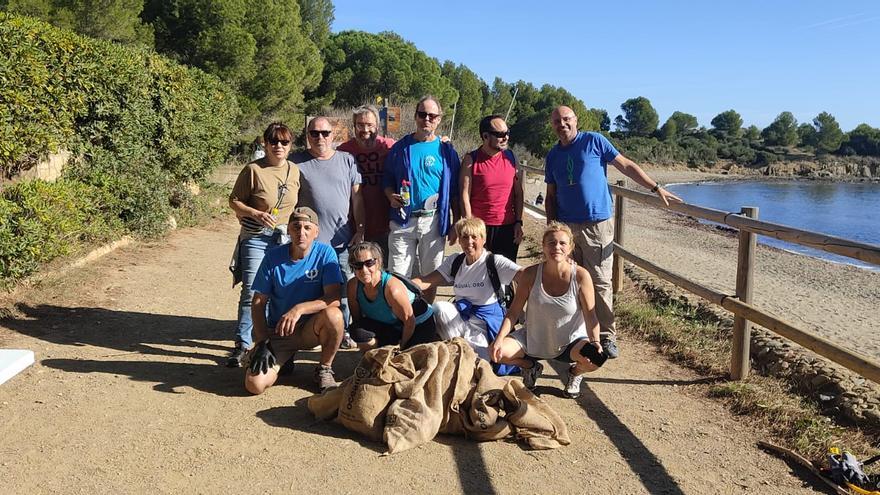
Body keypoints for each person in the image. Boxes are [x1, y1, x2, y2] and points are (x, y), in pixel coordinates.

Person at [544, 105, 683, 359]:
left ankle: (607, 335)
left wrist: (655, 188)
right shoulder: (552, 156)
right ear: (552, 125)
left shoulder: (594, 141)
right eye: (556, 121)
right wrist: (552, 229)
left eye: (566, 119)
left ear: (576, 121)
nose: (562, 124)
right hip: (566, 228)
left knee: (599, 281)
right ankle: (578, 333)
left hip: (596, 225)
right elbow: (551, 196)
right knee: (570, 280)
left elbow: (625, 165)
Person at [488, 222, 605, 399]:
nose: (556, 247)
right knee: (498, 352)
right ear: (543, 246)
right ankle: (530, 367)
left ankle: (575, 372)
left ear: (570, 247)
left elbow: (590, 315)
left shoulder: (581, 276)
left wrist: (595, 341)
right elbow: (512, 313)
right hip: (533, 338)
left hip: (569, 341)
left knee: (596, 359)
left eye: (562, 243)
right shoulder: (530, 274)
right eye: (551, 243)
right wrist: (499, 339)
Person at [244, 207, 345, 395]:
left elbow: (334, 297)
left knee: (335, 316)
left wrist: (299, 309)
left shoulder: (325, 253)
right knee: (254, 385)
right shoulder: (273, 257)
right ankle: (284, 360)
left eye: (307, 227)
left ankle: (324, 368)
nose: (301, 233)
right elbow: (258, 302)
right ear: (288, 230)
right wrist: (261, 341)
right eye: (296, 227)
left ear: (316, 232)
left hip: (311, 329)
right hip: (280, 331)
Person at [227, 122, 300, 367]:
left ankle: (274, 344)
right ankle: (242, 345)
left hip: (283, 239)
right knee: (252, 291)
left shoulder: (295, 171)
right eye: (273, 141)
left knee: (280, 291)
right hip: (256, 237)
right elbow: (234, 201)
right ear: (265, 143)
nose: (278, 146)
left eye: (284, 142)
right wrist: (255, 213)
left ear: (290, 145)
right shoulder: (253, 170)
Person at [291, 116, 365, 348]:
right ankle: (309, 332)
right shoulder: (296, 163)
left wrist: (360, 229)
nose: (320, 137)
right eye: (314, 133)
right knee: (305, 288)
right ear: (307, 136)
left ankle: (344, 332)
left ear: (333, 136)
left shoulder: (347, 160)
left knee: (345, 290)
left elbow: (357, 197)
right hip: (308, 244)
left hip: (342, 242)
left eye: (325, 133)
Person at [413, 217, 521, 367]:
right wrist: (399, 285)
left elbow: (524, 275)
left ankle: (525, 364)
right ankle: (457, 349)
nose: (469, 242)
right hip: (462, 319)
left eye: (474, 237)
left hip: (485, 325)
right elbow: (426, 281)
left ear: (483, 239)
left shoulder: (494, 261)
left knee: (478, 363)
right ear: (459, 241)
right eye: (464, 237)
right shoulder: (456, 261)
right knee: (439, 308)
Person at [383, 95, 461, 302]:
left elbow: (455, 191)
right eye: (422, 114)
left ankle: (425, 319)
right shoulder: (400, 148)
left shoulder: (446, 151)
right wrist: (391, 196)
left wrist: (456, 223)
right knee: (397, 276)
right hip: (402, 220)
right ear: (415, 116)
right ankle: (400, 321)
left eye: (431, 115)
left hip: (434, 221)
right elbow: (387, 180)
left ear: (439, 119)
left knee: (430, 275)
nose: (426, 118)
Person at [346, 241, 440, 350]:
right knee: (357, 331)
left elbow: (409, 322)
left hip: (418, 324)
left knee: (406, 361)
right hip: (391, 326)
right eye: (357, 265)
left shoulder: (392, 288)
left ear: (378, 262)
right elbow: (358, 320)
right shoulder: (353, 285)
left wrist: (402, 349)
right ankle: (377, 356)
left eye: (369, 263)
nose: (364, 270)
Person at [460, 114, 523, 265]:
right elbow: (464, 195)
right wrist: (470, 228)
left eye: (507, 133)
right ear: (485, 136)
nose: (505, 137)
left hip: (507, 228)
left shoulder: (512, 157)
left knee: (506, 278)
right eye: (500, 134)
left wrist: (518, 222)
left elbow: (518, 194)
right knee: (479, 275)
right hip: (480, 228)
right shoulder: (471, 159)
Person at [338, 106, 396, 261]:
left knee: (384, 273)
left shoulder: (390, 147)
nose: (365, 129)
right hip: (353, 227)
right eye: (360, 125)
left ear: (377, 125)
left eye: (370, 125)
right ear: (354, 126)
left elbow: (414, 149)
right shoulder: (343, 152)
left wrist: (442, 141)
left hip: (386, 224)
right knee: (359, 273)